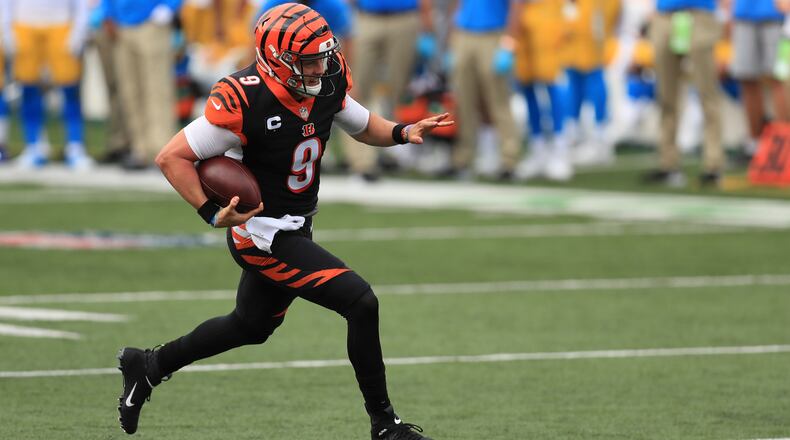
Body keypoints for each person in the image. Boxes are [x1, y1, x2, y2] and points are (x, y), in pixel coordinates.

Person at [116, 4, 451, 439]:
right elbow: (172, 157)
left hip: (297, 224)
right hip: (263, 234)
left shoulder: (326, 82)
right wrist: (210, 212)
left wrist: (403, 132)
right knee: (360, 301)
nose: (320, 66)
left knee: (250, 326)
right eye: (309, 59)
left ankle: (149, 365)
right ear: (276, 59)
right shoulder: (245, 98)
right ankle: (385, 425)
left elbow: (362, 124)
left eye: (322, 55)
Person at [2, 0, 93, 170]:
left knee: (70, 89)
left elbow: (80, 3)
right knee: (28, 89)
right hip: (24, 24)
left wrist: (79, 30)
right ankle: (34, 145)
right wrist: (7, 29)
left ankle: (75, 146)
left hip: (62, 24)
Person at [643, 0, 723, 187]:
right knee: (666, 95)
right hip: (666, 14)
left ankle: (713, 164)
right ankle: (668, 162)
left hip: (700, 14)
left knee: (707, 94)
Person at [443, 0, 521, 181]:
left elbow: (516, 6)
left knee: (498, 100)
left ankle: (509, 159)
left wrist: (509, 43)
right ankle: (462, 158)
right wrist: (451, 39)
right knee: (463, 101)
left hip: (493, 34)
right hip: (464, 34)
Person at [99, 0, 181, 170]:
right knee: (130, 92)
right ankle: (140, 149)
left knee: (157, 90)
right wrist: (108, 14)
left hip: (152, 22)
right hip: (122, 25)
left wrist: (167, 8)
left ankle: (162, 148)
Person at [730, 0, 787, 159]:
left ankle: (783, 144)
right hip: (743, 13)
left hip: (776, 14)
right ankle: (755, 144)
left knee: (779, 78)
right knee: (747, 78)